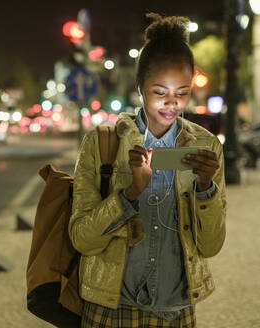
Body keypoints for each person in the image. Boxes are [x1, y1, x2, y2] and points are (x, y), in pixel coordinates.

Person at [69, 13, 226, 328]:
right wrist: (129, 194)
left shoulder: (205, 145)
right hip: (111, 313)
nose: (172, 103)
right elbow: (82, 240)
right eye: (160, 92)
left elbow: (211, 246)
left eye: (182, 92)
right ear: (139, 87)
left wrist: (205, 188)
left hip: (176, 313)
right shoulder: (103, 144)